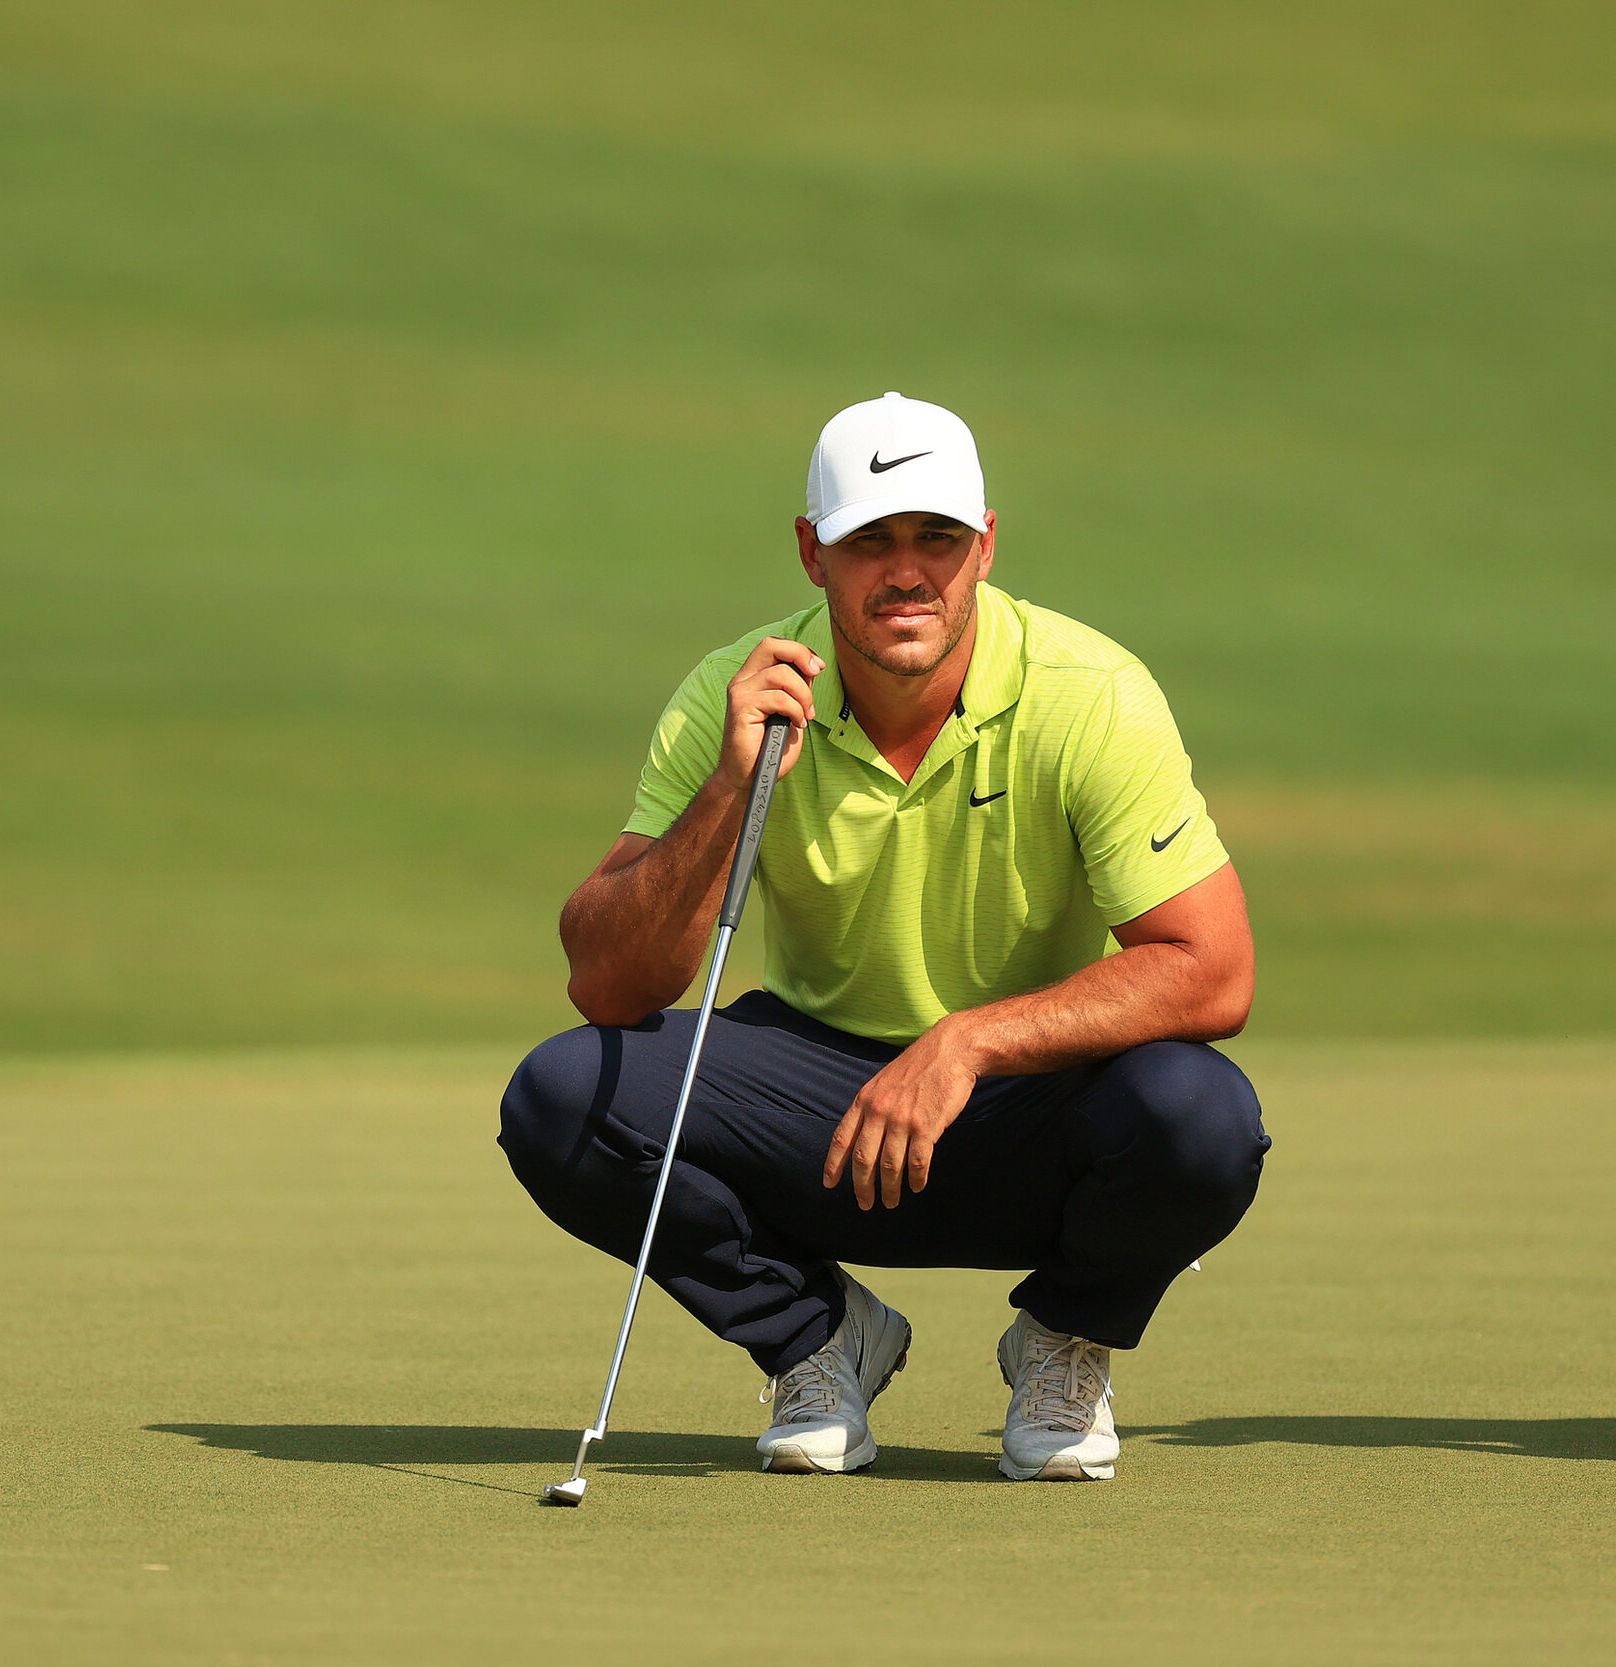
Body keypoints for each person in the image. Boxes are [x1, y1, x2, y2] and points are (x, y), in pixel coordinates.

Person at [499, 392, 1268, 1482]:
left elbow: (1214, 968)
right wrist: (730, 783)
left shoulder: (1089, 694)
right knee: (562, 1097)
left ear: (985, 545)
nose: (906, 570)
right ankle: (814, 1334)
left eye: (937, 538)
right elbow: (608, 981)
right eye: (870, 539)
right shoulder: (740, 694)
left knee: (1202, 1116)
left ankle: (1065, 1337)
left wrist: (967, 1042)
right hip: (814, 1113)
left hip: (1024, 1103)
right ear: (813, 554)